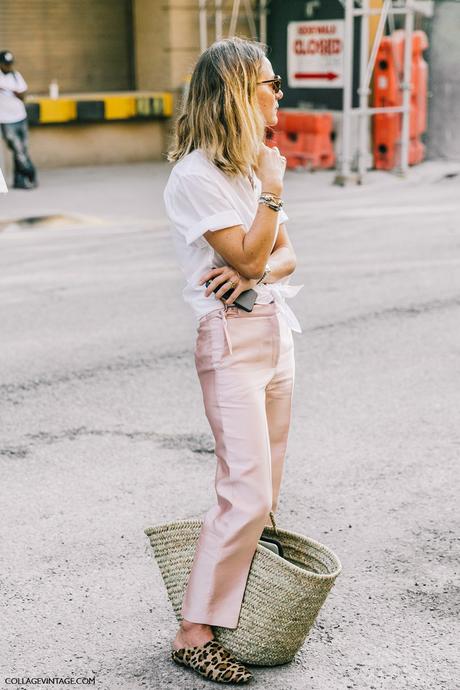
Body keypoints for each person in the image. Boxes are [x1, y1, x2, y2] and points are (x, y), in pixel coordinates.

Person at [163, 37, 303, 684]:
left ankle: (239, 613)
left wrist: (258, 263)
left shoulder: (246, 166)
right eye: (269, 83)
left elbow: (283, 259)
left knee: (266, 492)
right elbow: (248, 259)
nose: (279, 92)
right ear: (238, 94)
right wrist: (271, 196)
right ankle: (194, 631)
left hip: (274, 331)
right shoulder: (196, 176)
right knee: (243, 492)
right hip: (230, 340)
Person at [0, 50, 37, 189]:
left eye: (10, 64)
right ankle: (31, 172)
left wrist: (13, 91)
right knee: (17, 149)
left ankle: (19, 180)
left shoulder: (16, 76)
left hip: (20, 117)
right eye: (5, 64)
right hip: (5, 120)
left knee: (23, 149)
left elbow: (23, 95)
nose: (8, 67)